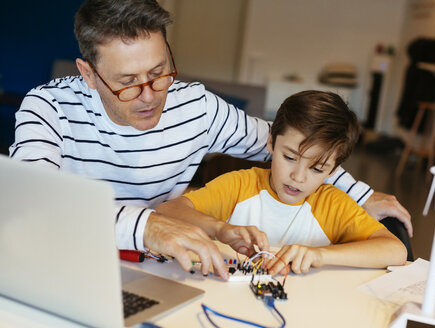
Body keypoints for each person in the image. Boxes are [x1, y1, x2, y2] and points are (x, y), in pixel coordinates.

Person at [9, 0, 410, 279]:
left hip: (160, 270)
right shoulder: (48, 107)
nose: (150, 96)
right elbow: (35, 202)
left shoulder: (196, 106)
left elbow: (285, 143)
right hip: (70, 263)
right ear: (89, 73)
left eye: (160, 71)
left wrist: (359, 194)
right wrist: (151, 226)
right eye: (127, 83)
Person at [156, 91, 407, 274]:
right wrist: (220, 229)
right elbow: (167, 211)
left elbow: (396, 251)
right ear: (271, 144)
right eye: (289, 157)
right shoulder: (239, 186)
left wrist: (319, 255)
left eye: (317, 168)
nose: (298, 177)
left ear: (333, 170)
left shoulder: (333, 205)